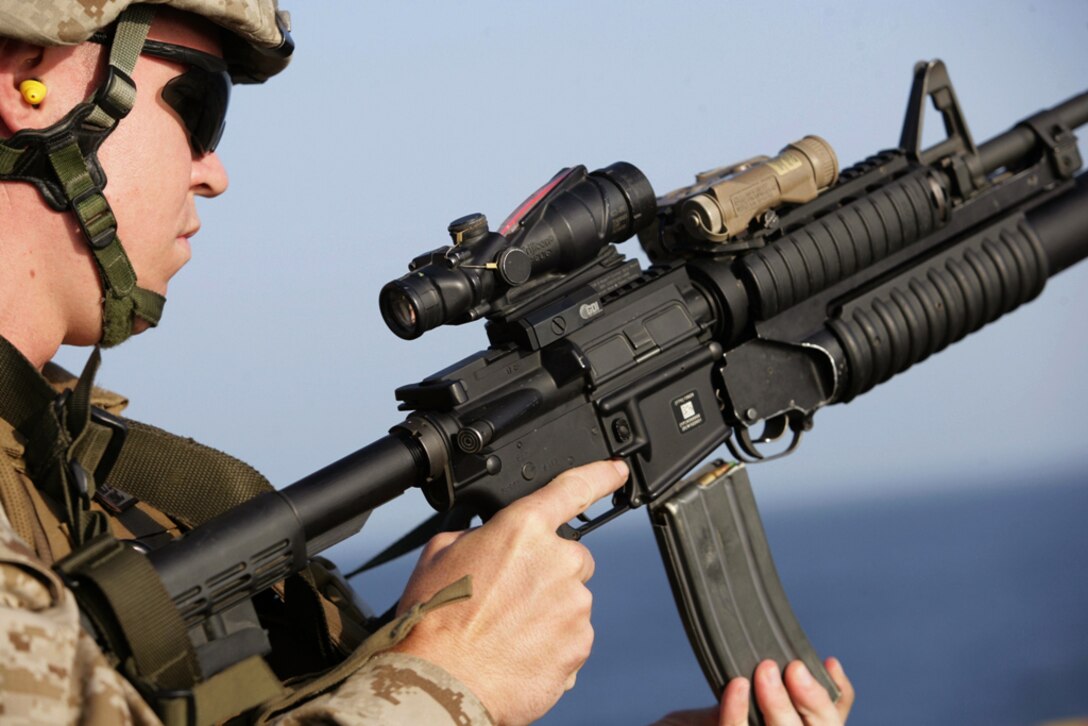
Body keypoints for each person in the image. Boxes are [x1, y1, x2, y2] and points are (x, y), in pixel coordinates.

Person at [0, 2, 853, 724]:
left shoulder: (81, 477)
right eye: (199, 104)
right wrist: (448, 682)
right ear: (28, 78)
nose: (213, 171)